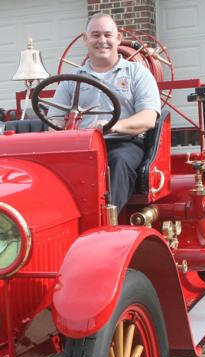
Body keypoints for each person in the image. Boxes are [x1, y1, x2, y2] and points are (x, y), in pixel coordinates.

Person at [49, 13, 161, 211]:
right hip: (81, 147)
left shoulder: (137, 73)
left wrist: (112, 126)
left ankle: (106, 223)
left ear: (118, 38)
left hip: (123, 143)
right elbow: (54, 122)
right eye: (95, 35)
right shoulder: (69, 79)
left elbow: (148, 118)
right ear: (85, 39)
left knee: (118, 163)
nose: (102, 41)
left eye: (108, 35)